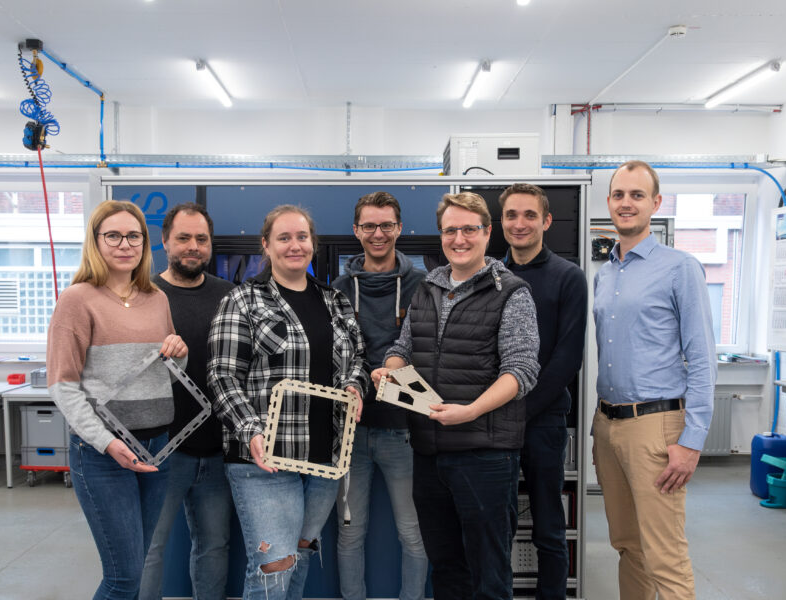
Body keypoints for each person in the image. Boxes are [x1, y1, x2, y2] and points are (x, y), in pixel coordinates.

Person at [374, 192, 540, 600]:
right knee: (446, 566)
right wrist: (389, 370)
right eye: (451, 230)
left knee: (488, 570)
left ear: (487, 233)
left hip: (485, 454)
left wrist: (472, 411)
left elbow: (521, 371)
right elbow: (403, 347)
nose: (459, 238)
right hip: (429, 453)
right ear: (441, 235)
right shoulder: (428, 288)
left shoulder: (512, 293)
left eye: (469, 229)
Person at [207, 205, 368, 600]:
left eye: (302, 237)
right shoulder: (243, 301)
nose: (294, 246)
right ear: (266, 245)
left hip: (323, 461)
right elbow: (222, 375)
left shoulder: (335, 301)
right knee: (272, 569)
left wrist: (355, 387)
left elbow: (360, 358)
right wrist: (250, 430)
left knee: (299, 556)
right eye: (284, 237)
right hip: (264, 462)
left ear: (312, 244)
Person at [47, 200, 188, 599]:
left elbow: (168, 370)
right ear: (96, 241)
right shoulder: (77, 299)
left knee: (137, 567)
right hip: (103, 454)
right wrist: (107, 442)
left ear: (145, 243)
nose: (124, 244)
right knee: (123, 578)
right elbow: (62, 384)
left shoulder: (156, 298)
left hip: (157, 448)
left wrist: (180, 351)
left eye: (134, 236)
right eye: (113, 235)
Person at [593, 161, 716, 600]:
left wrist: (692, 440)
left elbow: (703, 358)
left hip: (657, 428)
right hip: (607, 425)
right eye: (619, 195)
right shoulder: (605, 273)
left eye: (637, 195)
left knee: (664, 555)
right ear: (608, 202)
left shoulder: (680, 267)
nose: (626, 203)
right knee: (628, 547)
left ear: (655, 203)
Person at [330, 191, 428, 600]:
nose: (378, 234)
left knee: (412, 533)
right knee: (350, 534)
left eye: (386, 225)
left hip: (403, 432)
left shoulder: (423, 285)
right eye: (369, 225)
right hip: (350, 435)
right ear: (356, 231)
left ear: (399, 229)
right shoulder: (337, 288)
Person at [140, 203, 235, 600]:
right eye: (183, 238)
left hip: (218, 449)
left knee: (214, 546)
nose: (192, 247)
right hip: (161, 448)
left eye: (201, 239)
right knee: (150, 549)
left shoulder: (230, 296)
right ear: (164, 241)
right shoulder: (142, 295)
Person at [499, 183, 588, 600]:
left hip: (544, 420)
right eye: (512, 215)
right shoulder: (490, 275)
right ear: (501, 223)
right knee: (496, 524)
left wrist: (517, 410)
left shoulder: (568, 277)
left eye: (529, 215)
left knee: (549, 527)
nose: (520, 223)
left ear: (546, 221)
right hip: (494, 421)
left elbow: (567, 360)